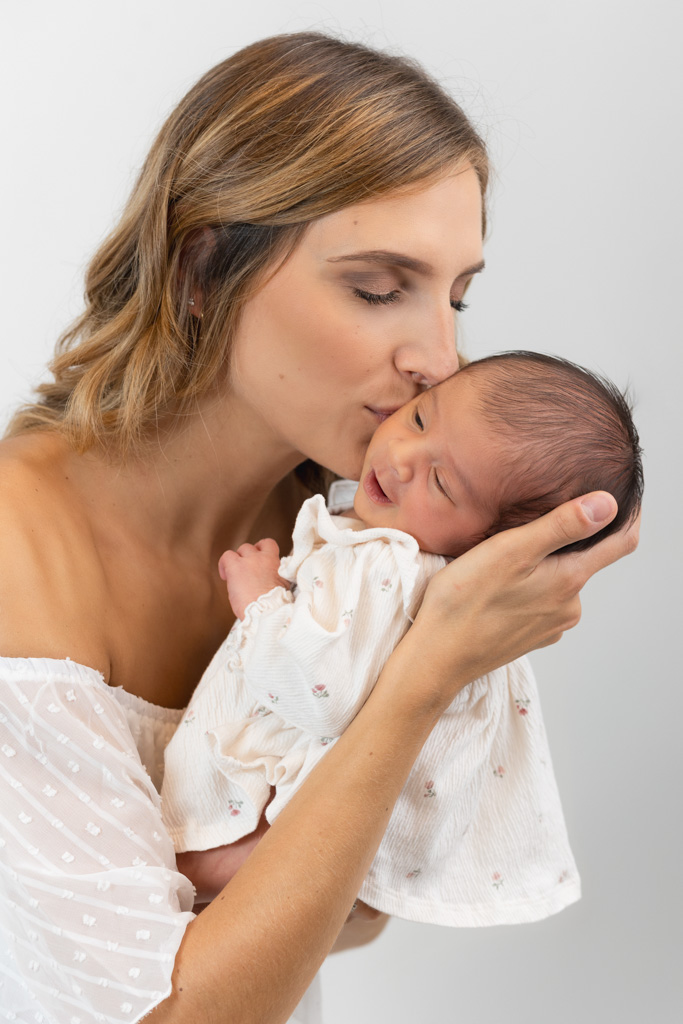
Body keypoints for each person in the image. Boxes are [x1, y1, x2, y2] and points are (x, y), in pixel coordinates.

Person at [0, 32, 638, 1024]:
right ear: (201, 269)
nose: (441, 356)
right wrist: (425, 672)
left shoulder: (341, 541)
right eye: (378, 289)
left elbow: (362, 907)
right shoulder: (16, 558)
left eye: (458, 295)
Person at [161, 351, 642, 927]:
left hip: (284, 811)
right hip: (351, 817)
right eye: (418, 418)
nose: (402, 457)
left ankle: (242, 852)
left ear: (488, 544)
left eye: (441, 481)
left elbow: (321, 694)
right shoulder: (408, 554)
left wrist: (259, 600)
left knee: (196, 843)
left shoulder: (386, 566)